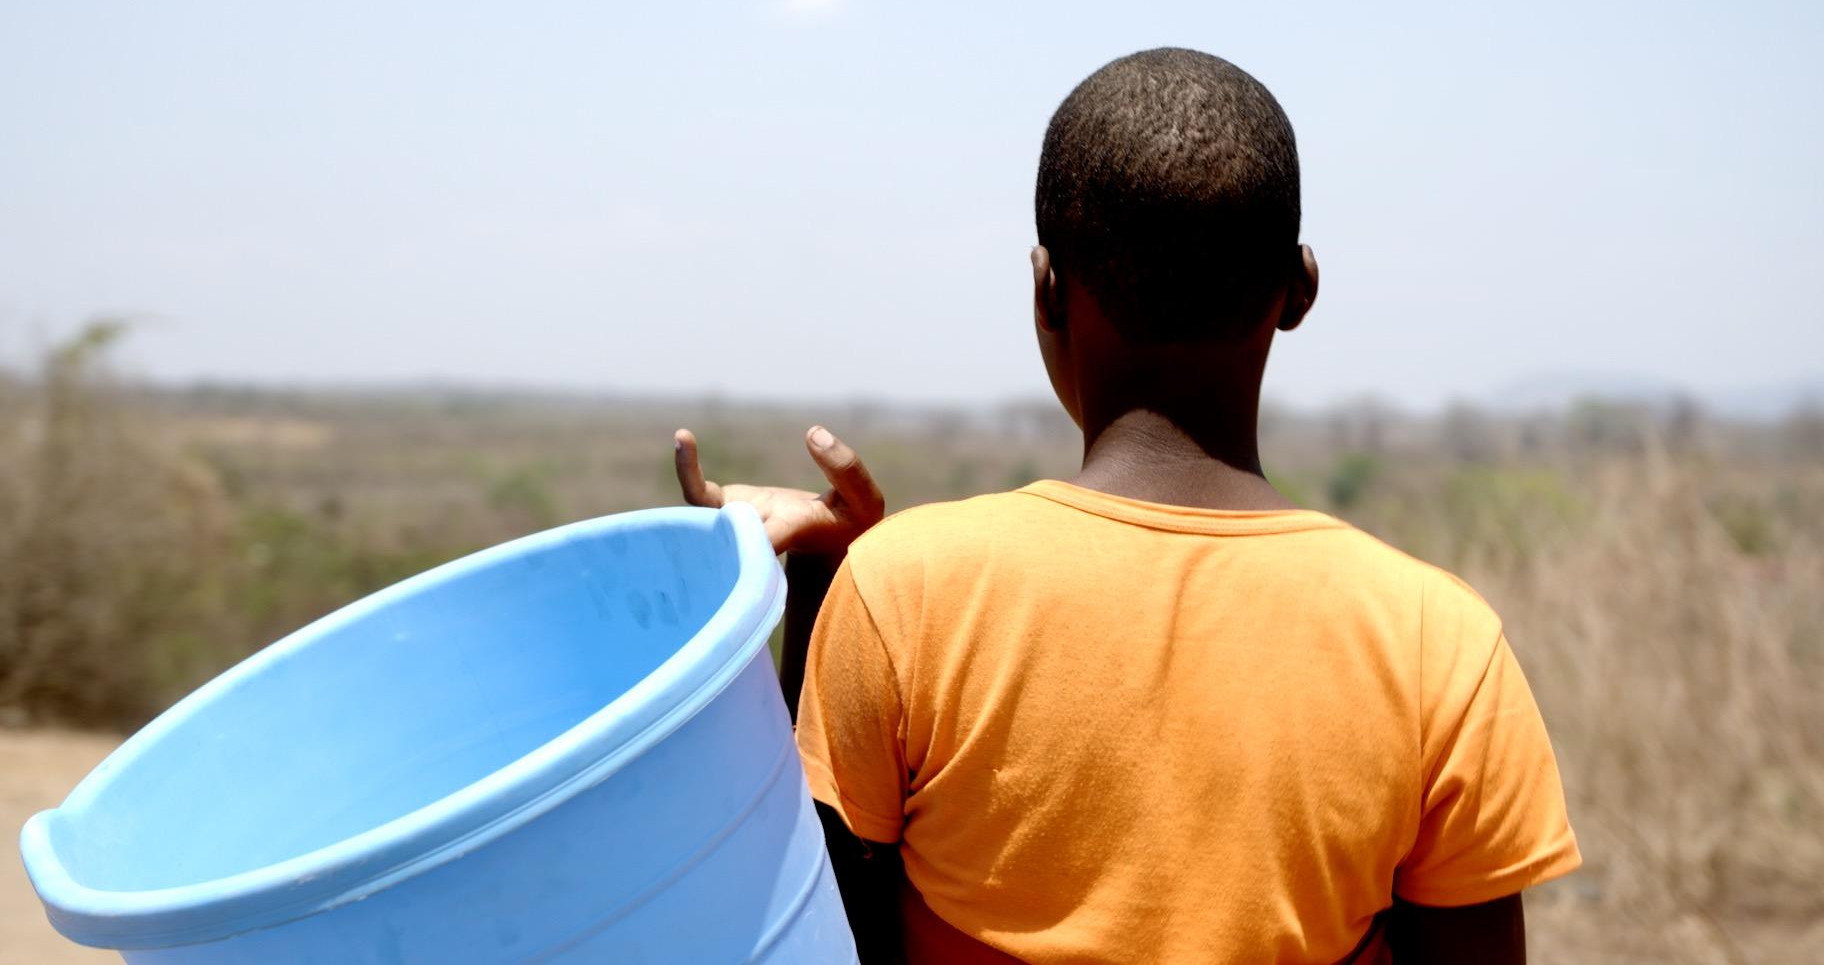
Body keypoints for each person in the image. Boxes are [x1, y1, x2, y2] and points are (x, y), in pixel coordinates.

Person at [671, 48, 1579, 964]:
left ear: (1048, 289)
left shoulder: (906, 592)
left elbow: (818, 929)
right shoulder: (1439, 644)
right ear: (1299, 288)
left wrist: (822, 584)